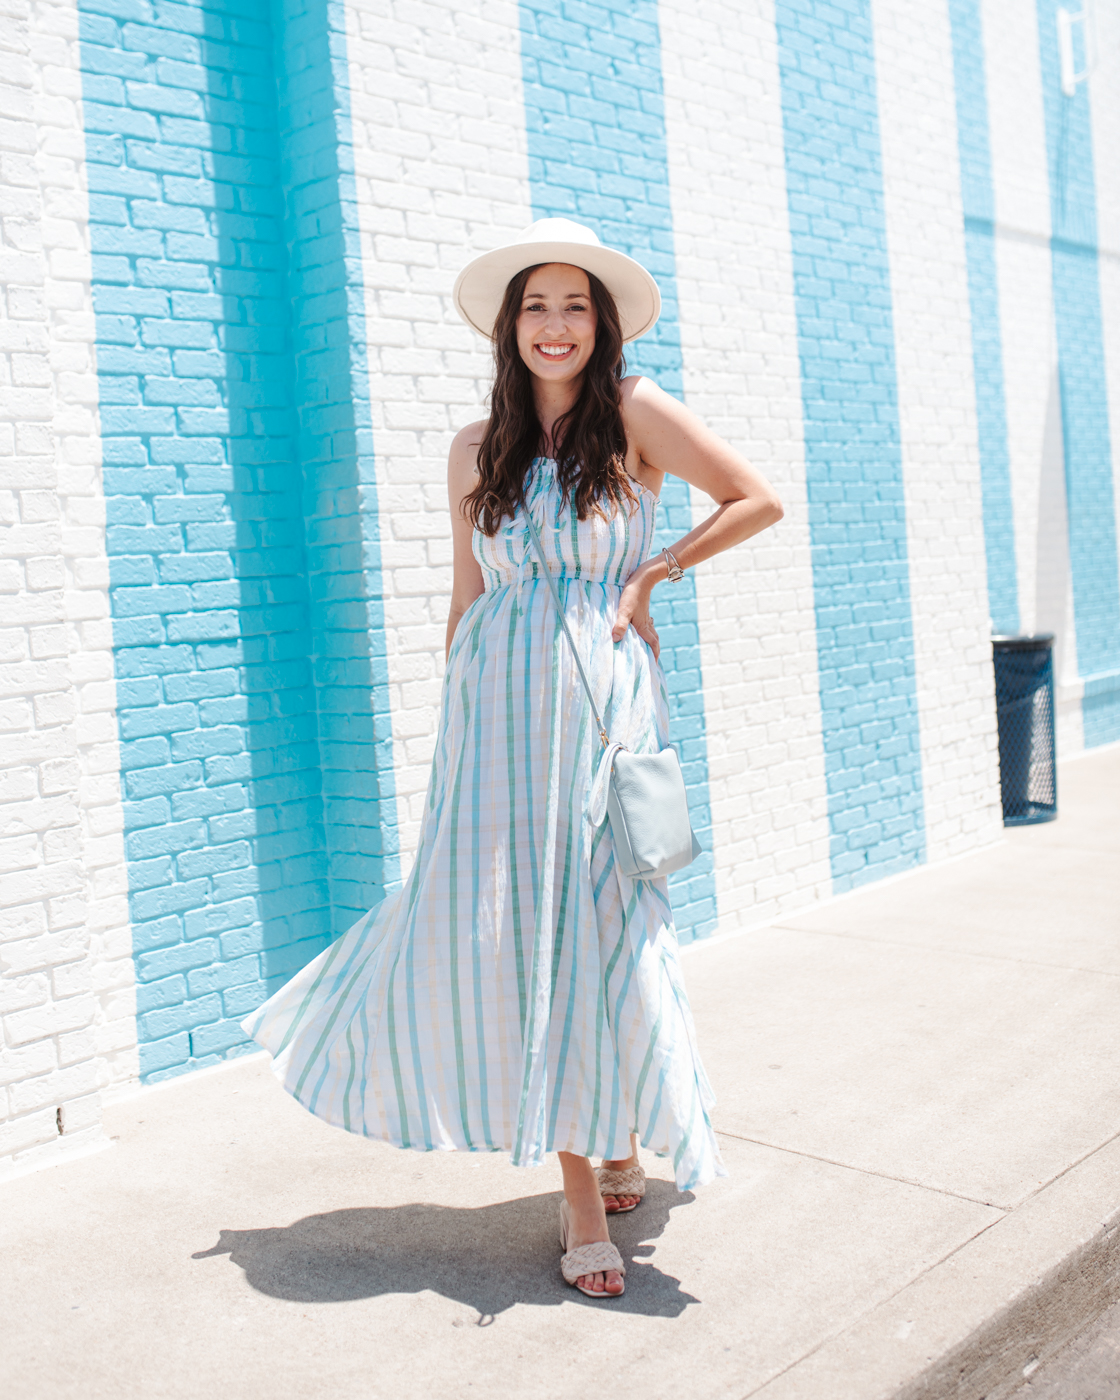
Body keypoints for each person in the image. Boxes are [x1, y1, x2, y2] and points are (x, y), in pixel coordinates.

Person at [243, 218, 783, 1300]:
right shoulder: (472, 447)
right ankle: (595, 1171)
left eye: (574, 305)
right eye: (535, 305)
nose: (554, 324)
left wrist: (651, 575)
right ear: (509, 324)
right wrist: (452, 731)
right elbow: (468, 594)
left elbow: (754, 497)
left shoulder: (635, 412)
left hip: (597, 701)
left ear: (601, 321)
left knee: (600, 928)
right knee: (525, 934)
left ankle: (604, 1155)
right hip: (495, 717)